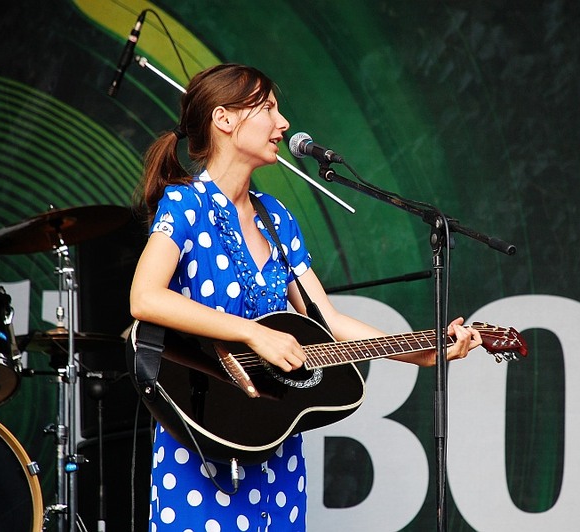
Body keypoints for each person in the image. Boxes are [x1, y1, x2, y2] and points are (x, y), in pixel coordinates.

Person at [129, 63, 481, 531]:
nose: (283, 123)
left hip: (274, 447)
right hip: (200, 444)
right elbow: (144, 297)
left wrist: (422, 351)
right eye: (268, 108)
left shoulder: (276, 218)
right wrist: (254, 334)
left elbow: (326, 319)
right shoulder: (185, 204)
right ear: (224, 119)